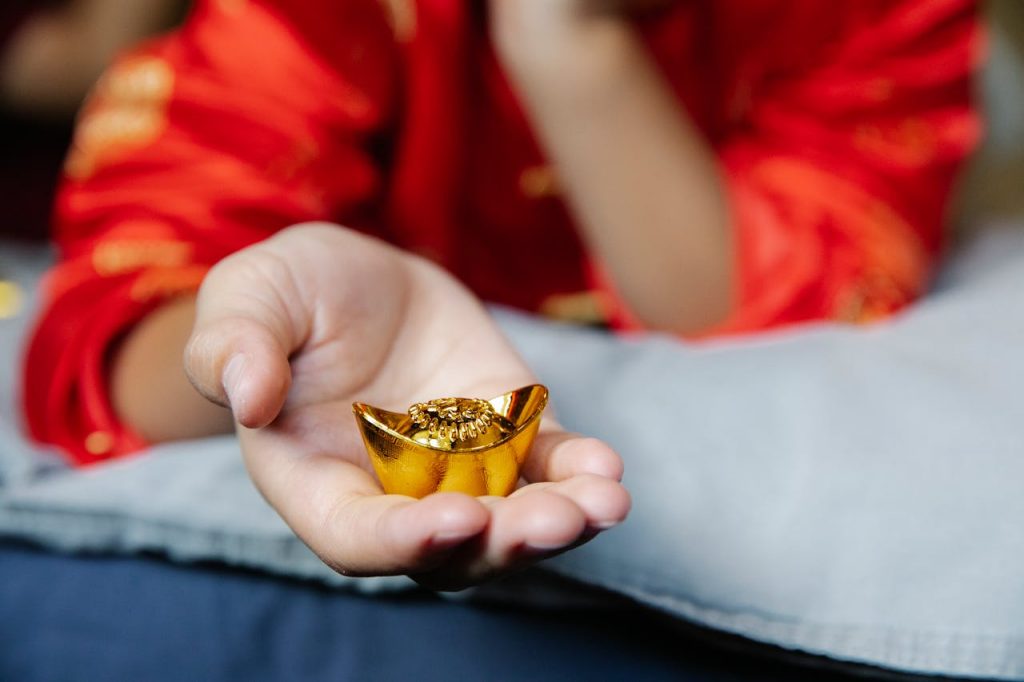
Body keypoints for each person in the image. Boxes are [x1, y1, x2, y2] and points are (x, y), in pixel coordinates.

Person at [23, 0, 981, 588]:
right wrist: (269, 340)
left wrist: (565, 34)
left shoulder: (878, 18)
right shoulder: (317, 18)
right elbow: (111, 321)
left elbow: (794, 305)